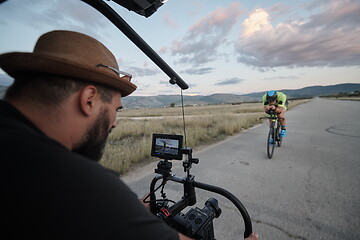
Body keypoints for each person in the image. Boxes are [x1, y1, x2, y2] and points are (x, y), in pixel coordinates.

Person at [0, 30, 258, 240]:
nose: (114, 123)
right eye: (115, 109)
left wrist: (127, 213)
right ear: (89, 100)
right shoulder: (70, 180)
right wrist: (118, 209)